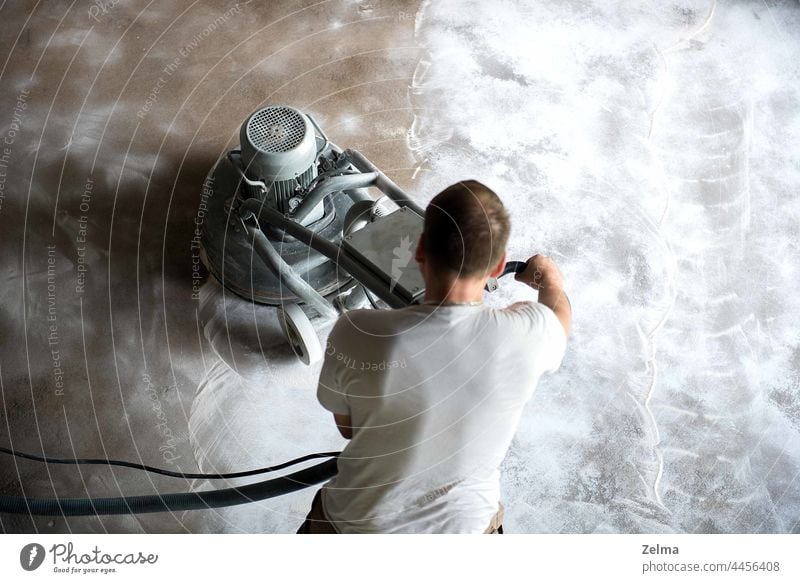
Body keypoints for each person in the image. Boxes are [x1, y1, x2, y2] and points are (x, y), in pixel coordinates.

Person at [297, 180, 571, 534]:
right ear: (498, 265)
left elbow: (349, 428)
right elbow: (558, 319)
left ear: (421, 248)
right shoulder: (527, 335)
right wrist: (549, 280)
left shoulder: (355, 333)